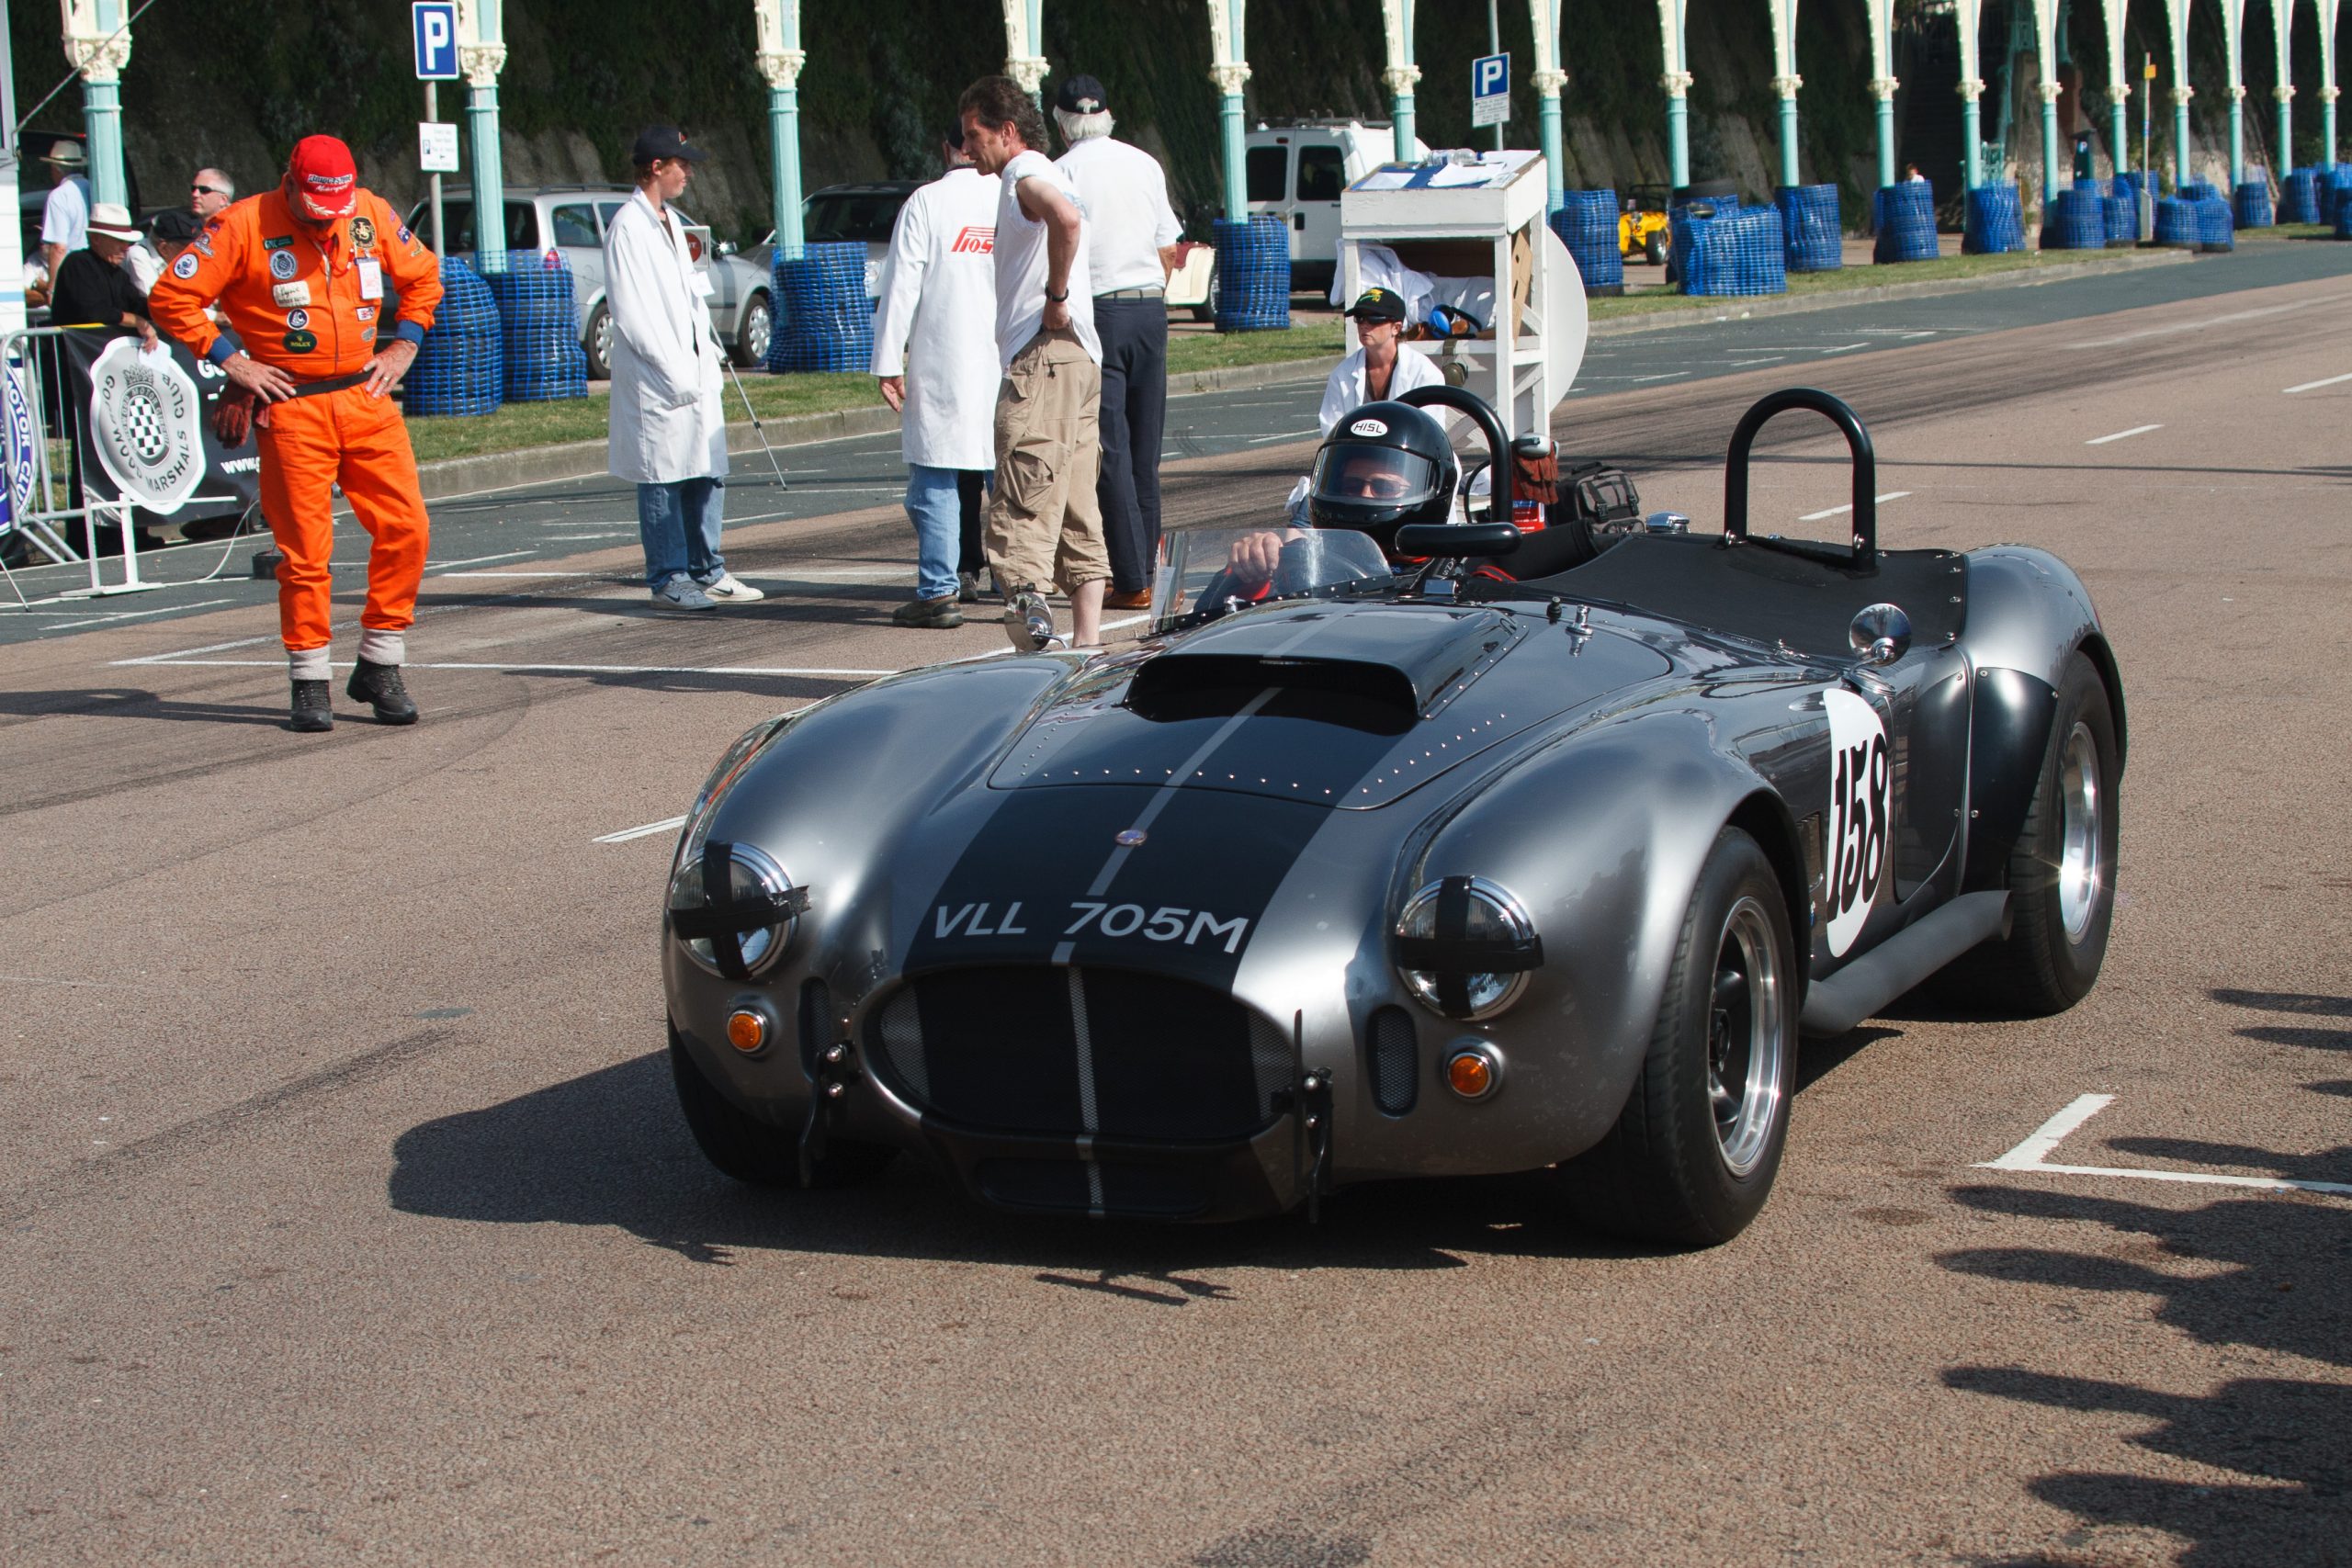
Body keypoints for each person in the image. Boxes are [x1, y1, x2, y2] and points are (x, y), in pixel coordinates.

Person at [149, 134, 445, 734]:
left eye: (336, 210)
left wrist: (405, 344)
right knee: (306, 554)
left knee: (407, 528)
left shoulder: (369, 211)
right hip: (292, 406)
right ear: (291, 185)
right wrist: (235, 362)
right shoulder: (241, 224)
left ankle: (380, 662)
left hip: (366, 395)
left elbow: (424, 277)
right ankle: (309, 681)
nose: (328, 221)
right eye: (317, 209)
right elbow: (173, 296)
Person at [959, 73, 1108, 650]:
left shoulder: (1024, 172)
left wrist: (1056, 296)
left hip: (1045, 357)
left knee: (1022, 500)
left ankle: (1032, 654)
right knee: (1074, 499)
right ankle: (1090, 645)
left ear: (1008, 131)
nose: (968, 147)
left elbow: (1065, 222)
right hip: (1079, 360)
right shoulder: (1055, 170)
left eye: (976, 135)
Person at [603, 125, 763, 613]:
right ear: (656, 167)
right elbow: (632, 313)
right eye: (681, 164)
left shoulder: (669, 221)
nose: (688, 173)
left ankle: (706, 568)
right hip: (659, 378)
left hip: (694, 368)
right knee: (662, 476)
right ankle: (668, 575)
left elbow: (691, 296)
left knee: (706, 470)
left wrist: (707, 358)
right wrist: (672, 370)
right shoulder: (628, 227)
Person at [1052, 73, 1181, 613]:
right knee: (1145, 451)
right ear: (1107, 115)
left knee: (1111, 450)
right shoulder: (1144, 163)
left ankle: (1131, 576)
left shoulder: (1060, 172)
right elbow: (1169, 248)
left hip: (1099, 310)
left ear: (1061, 121)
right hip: (1149, 305)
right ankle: (1148, 567)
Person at [871, 120, 1001, 629]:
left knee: (935, 473)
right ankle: (1022, 584)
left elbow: (899, 286)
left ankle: (939, 589)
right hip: (1007, 356)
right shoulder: (1011, 196)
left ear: (948, 148)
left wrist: (886, 360)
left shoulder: (926, 202)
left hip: (941, 359)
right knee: (1007, 476)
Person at [1317, 287, 1444, 435]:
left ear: (1396, 328)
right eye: (1359, 318)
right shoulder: (1341, 375)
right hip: (1357, 456)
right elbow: (1332, 430)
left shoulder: (1425, 373)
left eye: (1374, 318)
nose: (1364, 325)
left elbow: (1429, 433)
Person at [49, 204, 154, 343]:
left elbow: (137, 305)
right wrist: (136, 320)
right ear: (96, 239)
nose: (126, 248)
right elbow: (93, 311)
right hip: (75, 356)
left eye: (127, 242)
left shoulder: (118, 274)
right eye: (119, 241)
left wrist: (163, 306)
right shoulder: (78, 264)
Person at [40, 140, 92, 287]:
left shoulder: (58, 196)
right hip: (94, 268)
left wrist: (52, 287)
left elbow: (59, 247)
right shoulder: (92, 187)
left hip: (73, 271)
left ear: (56, 169)